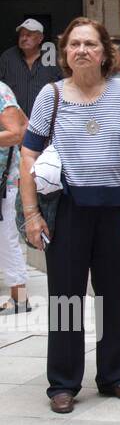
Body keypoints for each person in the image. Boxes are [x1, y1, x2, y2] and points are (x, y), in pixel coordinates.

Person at [20, 18, 120, 413]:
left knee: (111, 296)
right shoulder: (51, 95)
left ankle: (114, 375)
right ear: (64, 53)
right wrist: (31, 214)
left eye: (90, 44)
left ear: (104, 52)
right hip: (69, 209)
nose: (81, 50)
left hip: (117, 210)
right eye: (74, 44)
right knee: (66, 298)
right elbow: (29, 154)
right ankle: (63, 381)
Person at [0, 81, 29, 315]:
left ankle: (20, 298)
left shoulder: (1, 92)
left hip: (4, 182)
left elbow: (17, 133)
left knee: (6, 237)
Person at [0, 19, 60, 116]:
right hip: (14, 120)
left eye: (29, 35)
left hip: (47, 119)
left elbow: (66, 86)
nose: (24, 38)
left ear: (40, 38)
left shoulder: (54, 57)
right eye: (21, 35)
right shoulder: (7, 57)